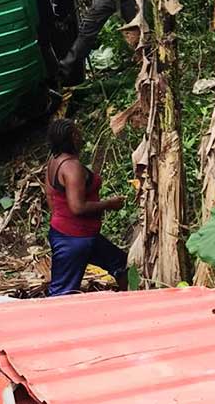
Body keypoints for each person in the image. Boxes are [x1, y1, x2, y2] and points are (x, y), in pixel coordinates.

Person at [45, 118, 128, 296]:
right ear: (73, 137)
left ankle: (126, 306)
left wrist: (60, 220)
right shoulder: (72, 168)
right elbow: (77, 207)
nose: (81, 135)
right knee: (61, 293)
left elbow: (49, 194)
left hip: (75, 235)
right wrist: (109, 204)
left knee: (120, 264)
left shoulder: (54, 160)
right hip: (73, 240)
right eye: (78, 132)